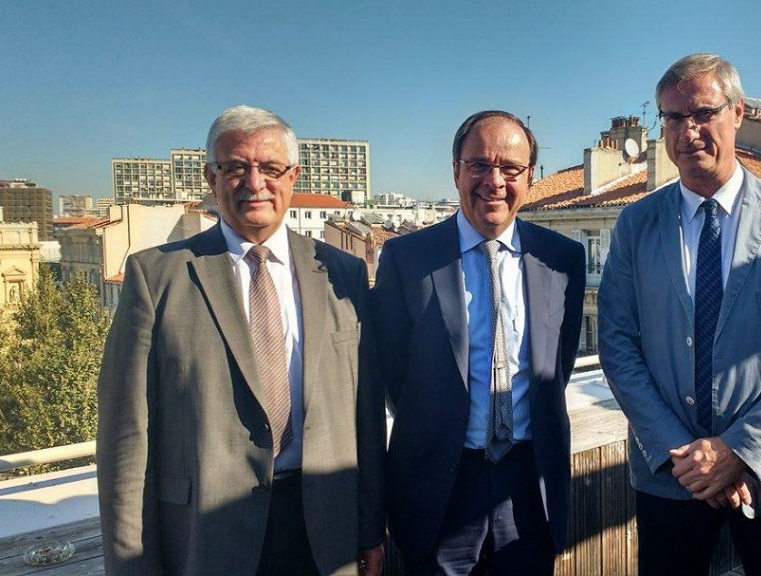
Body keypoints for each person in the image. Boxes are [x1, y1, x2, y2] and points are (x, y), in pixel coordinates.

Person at [96, 105, 385, 576]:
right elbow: (125, 440)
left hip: (325, 533)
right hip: (205, 537)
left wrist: (371, 528)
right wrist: (131, 565)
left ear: (293, 176)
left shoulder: (343, 273)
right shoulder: (156, 277)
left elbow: (365, 413)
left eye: (271, 168)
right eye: (236, 167)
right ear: (211, 178)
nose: (255, 183)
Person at [598, 54, 761, 575]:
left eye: (702, 113)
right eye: (671, 118)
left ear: (738, 113)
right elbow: (618, 345)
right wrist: (680, 454)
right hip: (672, 475)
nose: (687, 132)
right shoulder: (637, 225)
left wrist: (740, 451)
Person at [372, 110, 585, 575]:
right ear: (455, 171)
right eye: (479, 165)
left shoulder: (563, 258)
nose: (495, 181)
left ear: (530, 177)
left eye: (511, 168)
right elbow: (392, 373)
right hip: (439, 489)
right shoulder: (407, 258)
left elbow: (558, 366)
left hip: (530, 486)